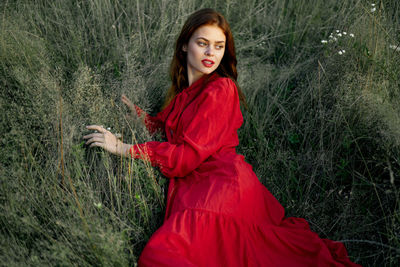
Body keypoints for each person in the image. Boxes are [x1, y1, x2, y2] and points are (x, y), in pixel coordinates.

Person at [83, 8, 360, 267]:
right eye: (202, 43)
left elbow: (187, 155)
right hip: (198, 187)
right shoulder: (183, 94)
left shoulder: (221, 89)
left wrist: (123, 147)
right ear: (184, 45)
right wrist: (141, 117)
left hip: (220, 187)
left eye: (218, 46)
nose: (210, 52)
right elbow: (171, 130)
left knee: (162, 255)